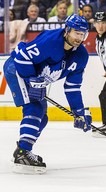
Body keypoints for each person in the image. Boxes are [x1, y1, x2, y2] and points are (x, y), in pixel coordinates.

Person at [3, 14, 92, 174]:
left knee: (43, 117)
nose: (79, 37)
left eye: (82, 34)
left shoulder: (81, 55)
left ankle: (24, 150)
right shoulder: (51, 41)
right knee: (35, 108)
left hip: (34, 78)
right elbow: (22, 57)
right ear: (67, 30)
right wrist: (32, 80)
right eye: (76, 33)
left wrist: (78, 112)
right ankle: (22, 152)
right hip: (17, 70)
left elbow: (72, 87)